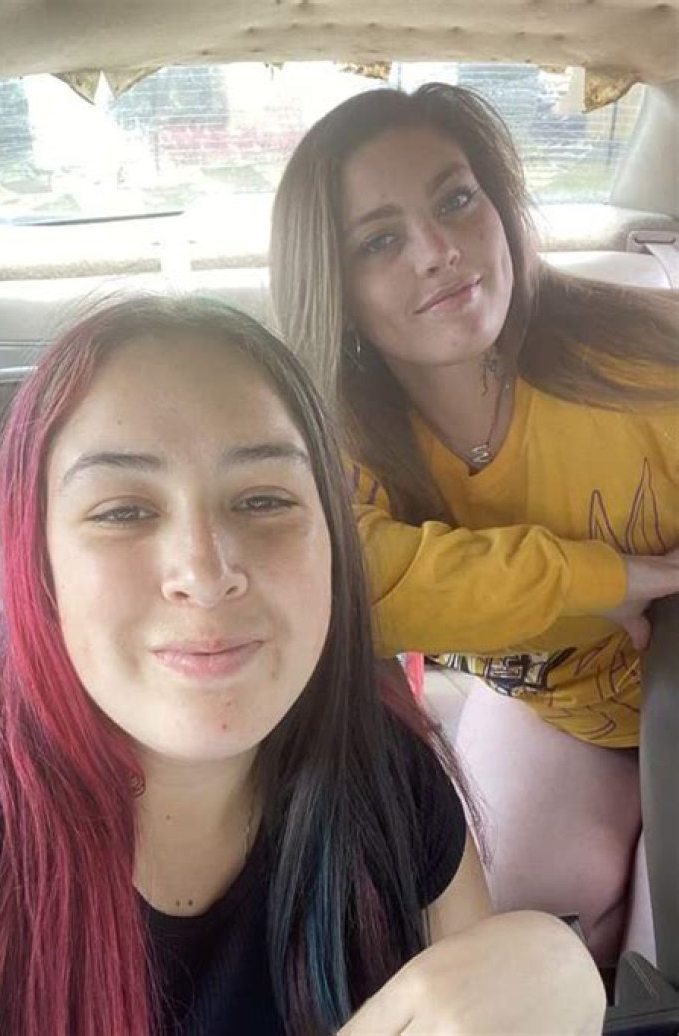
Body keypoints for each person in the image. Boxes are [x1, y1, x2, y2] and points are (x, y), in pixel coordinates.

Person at [0, 295, 604, 1035]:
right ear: (39, 563)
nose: (205, 574)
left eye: (264, 500)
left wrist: (545, 975)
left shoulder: (389, 786)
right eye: (123, 512)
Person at [270, 83, 679, 963]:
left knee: (664, 945)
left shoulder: (643, 363)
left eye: (457, 200)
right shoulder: (337, 435)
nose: (439, 251)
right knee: (525, 941)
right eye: (380, 240)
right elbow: (354, 584)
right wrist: (606, 578)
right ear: (334, 285)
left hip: (669, 690)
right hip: (552, 707)